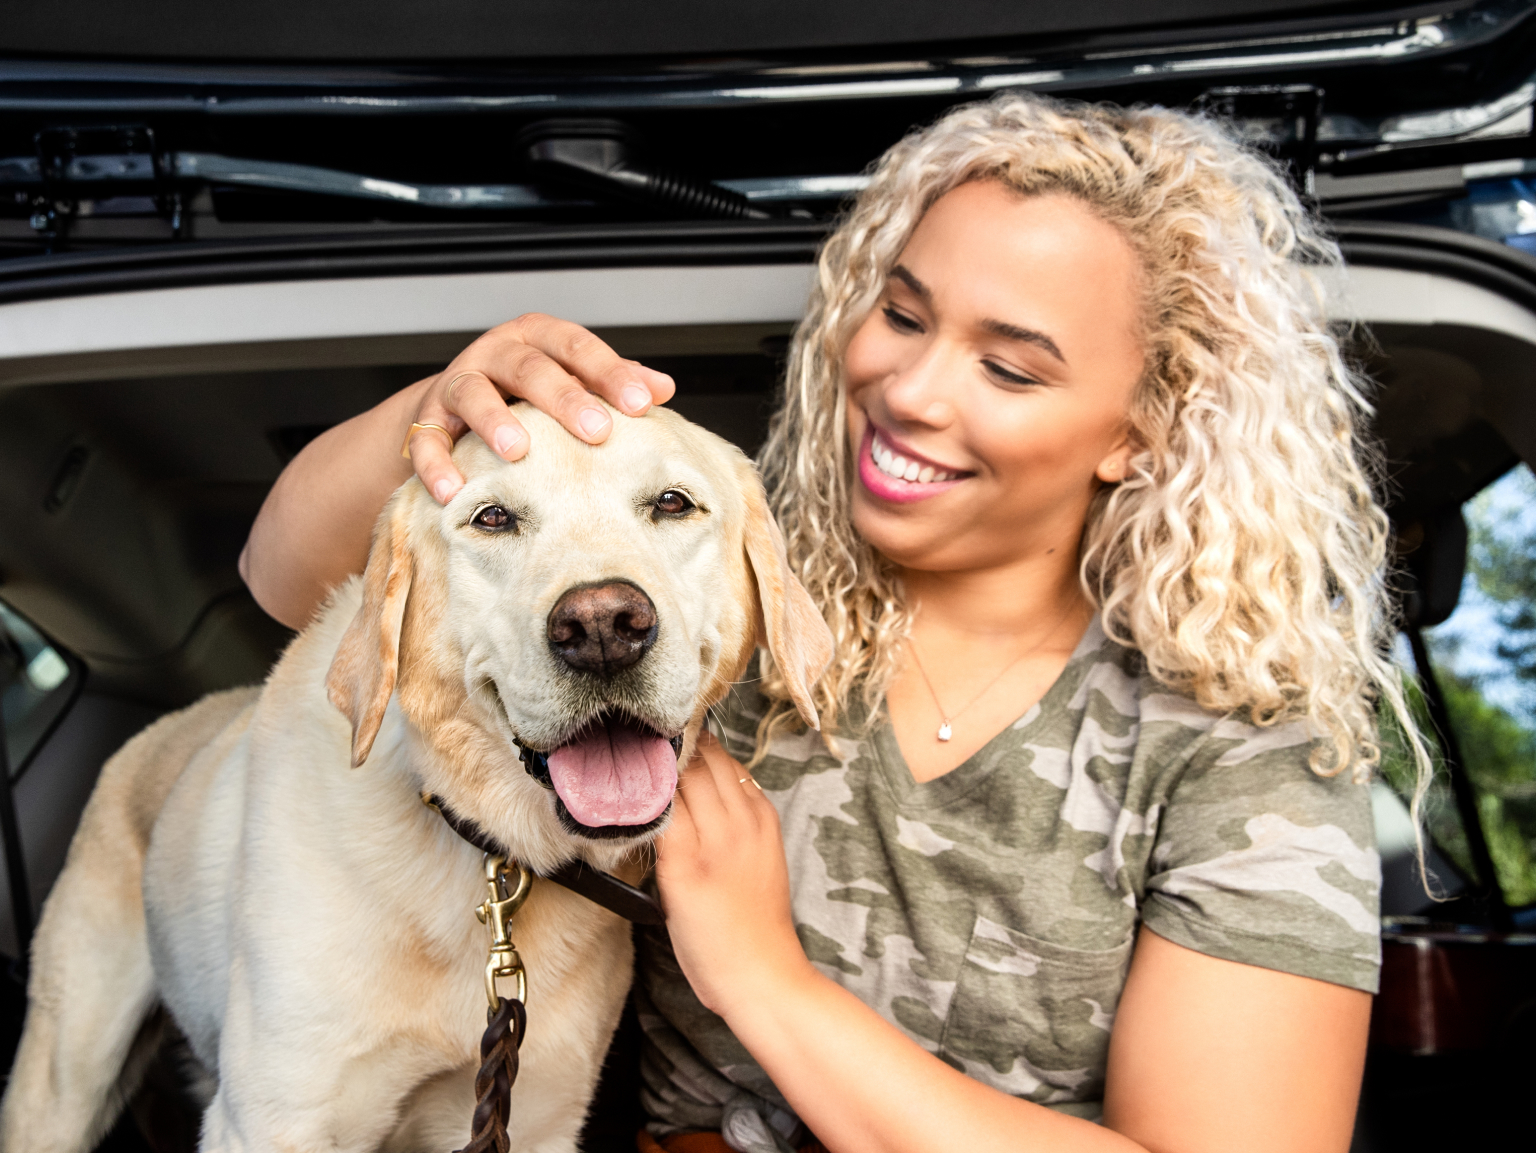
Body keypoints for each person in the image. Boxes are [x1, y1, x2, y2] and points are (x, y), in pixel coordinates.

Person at [242, 94, 1422, 1153]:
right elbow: (293, 587)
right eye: (903, 316)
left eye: (1008, 370)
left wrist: (766, 979)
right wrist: (445, 408)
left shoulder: (1247, 752)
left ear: (1142, 429)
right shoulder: (716, 596)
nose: (910, 390)